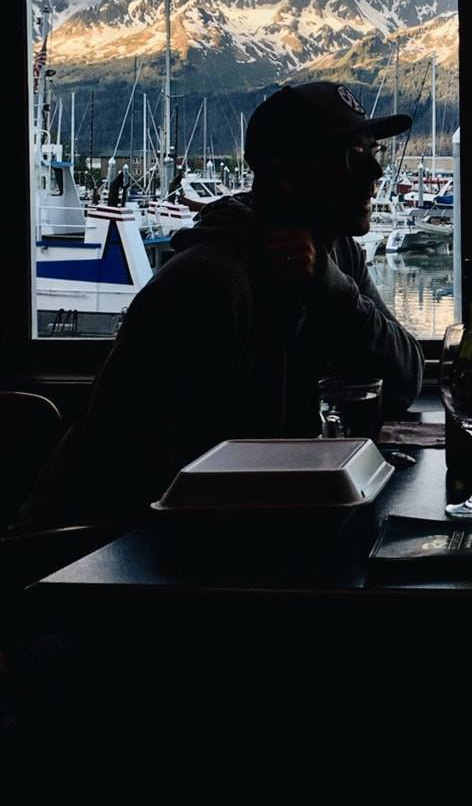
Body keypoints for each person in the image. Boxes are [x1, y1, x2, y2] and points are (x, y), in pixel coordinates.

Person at [21, 82, 423, 528]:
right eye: (353, 154)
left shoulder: (334, 256)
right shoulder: (205, 285)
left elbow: (406, 377)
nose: (375, 172)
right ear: (287, 175)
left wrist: (330, 288)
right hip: (93, 560)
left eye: (374, 152)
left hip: (247, 533)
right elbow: (131, 473)